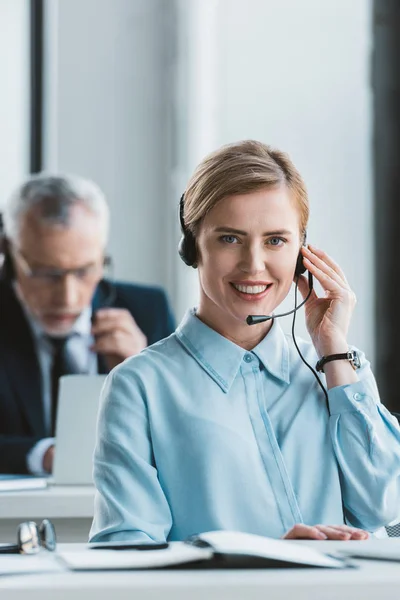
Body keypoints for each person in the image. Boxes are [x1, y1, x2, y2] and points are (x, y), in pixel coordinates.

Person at [90, 140, 400, 543]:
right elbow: (125, 550)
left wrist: (335, 352)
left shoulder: (338, 370)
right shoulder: (140, 385)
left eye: (276, 240)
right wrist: (258, 561)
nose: (254, 265)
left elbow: (387, 508)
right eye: (230, 239)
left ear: (302, 252)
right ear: (192, 245)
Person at [0, 173, 175, 475]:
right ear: (8, 251)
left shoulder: (148, 311)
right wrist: (46, 456)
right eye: (46, 273)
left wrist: (143, 376)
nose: (68, 297)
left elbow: (185, 440)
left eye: (85, 271)